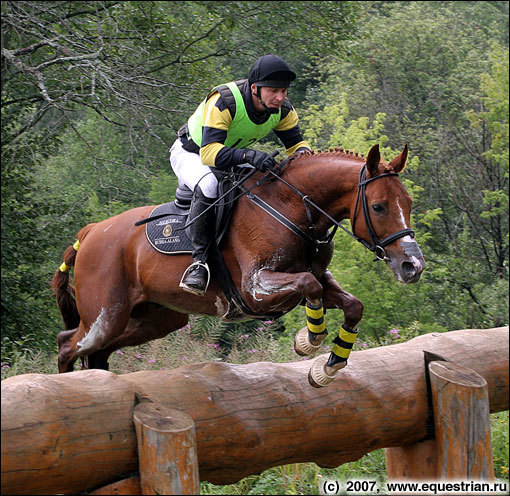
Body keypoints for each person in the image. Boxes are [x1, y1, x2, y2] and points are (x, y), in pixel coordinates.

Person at [170, 54, 311, 296]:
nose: (280, 97)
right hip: (192, 153)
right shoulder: (224, 101)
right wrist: (249, 156)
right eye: (274, 91)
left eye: (284, 91)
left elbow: (296, 145)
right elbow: (209, 154)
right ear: (255, 88)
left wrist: (309, 159)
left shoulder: (283, 110)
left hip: (229, 159)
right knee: (210, 186)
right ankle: (199, 263)